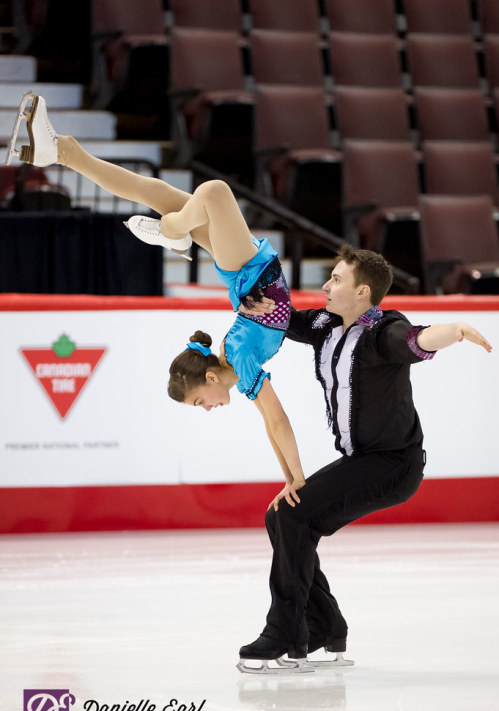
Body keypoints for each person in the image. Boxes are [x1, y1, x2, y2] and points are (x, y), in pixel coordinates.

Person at [7, 92, 305, 507]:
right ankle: (63, 152)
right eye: (201, 402)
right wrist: (295, 479)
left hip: (246, 271)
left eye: (199, 403)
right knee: (175, 193)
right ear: (211, 379)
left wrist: (293, 476)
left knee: (204, 194)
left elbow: (275, 422)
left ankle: (171, 228)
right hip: (249, 270)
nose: (207, 409)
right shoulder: (241, 364)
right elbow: (276, 422)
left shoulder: (239, 361)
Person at [237, 244, 492, 674]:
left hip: (393, 466)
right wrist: (259, 306)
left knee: (293, 518)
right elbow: (286, 321)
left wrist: (456, 329)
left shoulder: (383, 331)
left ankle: (286, 631)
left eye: (337, 279)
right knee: (283, 516)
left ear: (363, 292)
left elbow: (416, 340)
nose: (326, 285)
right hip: (363, 461)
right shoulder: (324, 323)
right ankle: (326, 626)